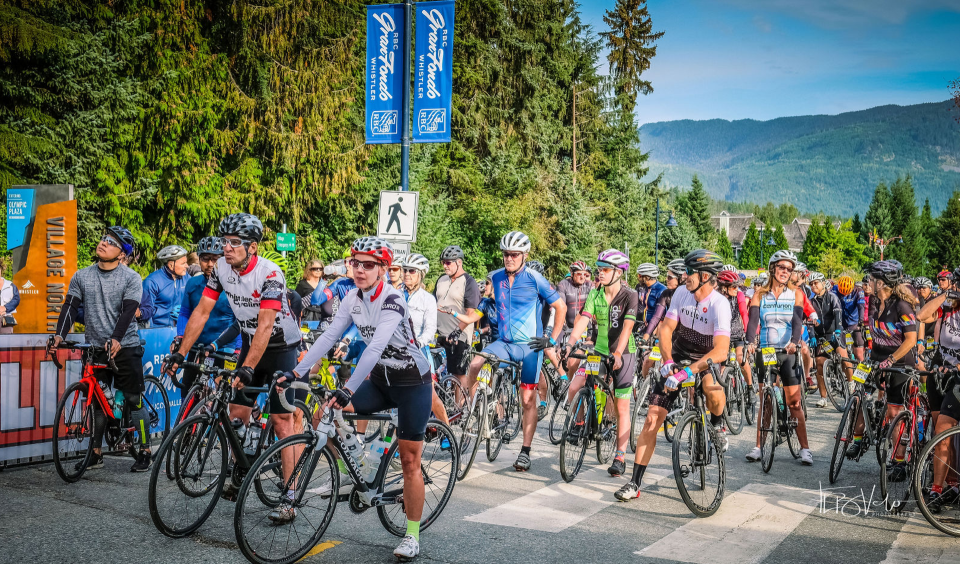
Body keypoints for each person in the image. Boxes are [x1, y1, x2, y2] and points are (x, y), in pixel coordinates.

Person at [289, 237, 432, 560]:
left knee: (410, 461)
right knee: (324, 414)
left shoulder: (394, 298)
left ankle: (411, 534)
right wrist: (297, 371)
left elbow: (376, 347)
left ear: (382, 269)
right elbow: (329, 336)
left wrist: (349, 388)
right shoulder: (352, 297)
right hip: (382, 380)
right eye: (355, 263)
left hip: (412, 383)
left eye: (369, 264)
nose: (360, 270)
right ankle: (351, 466)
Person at [165, 213, 304, 507]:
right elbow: (201, 312)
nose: (226, 247)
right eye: (223, 241)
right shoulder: (220, 271)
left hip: (280, 348)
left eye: (234, 242)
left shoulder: (269, 274)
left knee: (281, 421)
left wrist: (249, 368)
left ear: (252, 247)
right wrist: (180, 352)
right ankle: (243, 465)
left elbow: (266, 326)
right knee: (236, 414)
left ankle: (290, 495)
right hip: (252, 343)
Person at [615, 250, 729, 501]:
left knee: (712, 389)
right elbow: (665, 330)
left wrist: (690, 371)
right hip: (679, 354)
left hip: (706, 357)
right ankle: (634, 483)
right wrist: (667, 362)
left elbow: (721, 350)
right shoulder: (680, 294)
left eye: (689, 272)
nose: (683, 276)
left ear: (705, 276)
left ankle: (718, 425)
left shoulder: (720, 304)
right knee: (652, 417)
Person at [47, 226, 154, 472]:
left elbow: (129, 312)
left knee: (133, 399)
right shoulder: (82, 276)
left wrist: (116, 338)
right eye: (104, 239)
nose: (103, 243)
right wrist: (58, 336)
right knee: (96, 402)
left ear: (121, 254)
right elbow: (70, 307)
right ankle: (95, 453)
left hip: (125, 346)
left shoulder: (131, 278)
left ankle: (146, 450)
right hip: (95, 348)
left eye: (111, 242)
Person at [464, 231, 566, 472]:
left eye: (514, 255)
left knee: (527, 399)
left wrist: (550, 339)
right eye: (506, 254)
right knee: (475, 364)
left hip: (529, 346)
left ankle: (525, 450)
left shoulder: (534, 278)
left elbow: (559, 306)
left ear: (524, 255)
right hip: (505, 342)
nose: (509, 258)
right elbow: (479, 310)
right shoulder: (496, 278)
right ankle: (473, 408)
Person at [562, 249, 638, 477]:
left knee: (622, 405)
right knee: (578, 386)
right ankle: (582, 424)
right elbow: (584, 319)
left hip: (624, 353)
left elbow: (627, 328)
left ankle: (620, 456)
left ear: (618, 272)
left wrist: (618, 353)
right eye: (599, 269)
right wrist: (570, 343)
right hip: (600, 350)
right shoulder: (595, 294)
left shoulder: (629, 295)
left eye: (605, 270)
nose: (600, 273)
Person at [744, 250, 813, 466]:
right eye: (782, 267)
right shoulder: (759, 295)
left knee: (794, 403)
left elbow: (797, 322)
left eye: (789, 269)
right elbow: (753, 323)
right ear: (773, 268)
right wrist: (750, 342)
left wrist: (794, 342)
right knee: (765, 401)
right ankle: (758, 446)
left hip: (787, 352)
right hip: (766, 351)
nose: (785, 272)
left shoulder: (797, 294)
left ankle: (805, 449)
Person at [845, 261, 918, 461]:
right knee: (858, 395)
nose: (868, 281)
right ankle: (858, 440)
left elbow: (911, 339)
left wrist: (891, 360)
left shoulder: (902, 306)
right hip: (874, 358)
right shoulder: (874, 302)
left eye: (872, 279)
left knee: (894, 412)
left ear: (882, 282)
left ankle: (899, 460)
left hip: (900, 362)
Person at [173, 237, 241, 388]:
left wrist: (238, 348)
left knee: (219, 396)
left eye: (215, 259)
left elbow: (241, 322)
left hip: (223, 348)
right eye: (205, 259)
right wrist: (180, 336)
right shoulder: (192, 283)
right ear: (199, 259)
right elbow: (185, 313)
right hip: (197, 346)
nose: (210, 264)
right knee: (188, 391)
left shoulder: (233, 284)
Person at [917, 269, 960, 508]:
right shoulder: (948, 306)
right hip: (940, 369)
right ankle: (939, 488)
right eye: (956, 284)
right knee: (940, 432)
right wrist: (945, 295)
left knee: (945, 427)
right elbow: (922, 316)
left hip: (957, 376)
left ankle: (948, 484)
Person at [434, 245, 480, 393]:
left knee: (458, 373)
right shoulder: (441, 279)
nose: (445, 266)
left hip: (458, 336)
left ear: (459, 262)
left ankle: (459, 410)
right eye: (443, 262)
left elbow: (471, 313)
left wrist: (456, 332)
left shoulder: (469, 282)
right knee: (436, 371)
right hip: (439, 334)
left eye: (448, 262)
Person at [717, 268, 754, 408]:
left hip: (737, 332)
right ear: (724, 288)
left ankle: (750, 387)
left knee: (741, 358)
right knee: (721, 365)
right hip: (721, 335)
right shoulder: (716, 297)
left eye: (738, 286)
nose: (737, 288)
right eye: (733, 286)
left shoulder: (738, 295)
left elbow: (744, 313)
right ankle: (721, 398)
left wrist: (750, 337)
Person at [809, 272, 843, 408]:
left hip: (834, 333)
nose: (813, 286)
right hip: (821, 337)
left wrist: (838, 330)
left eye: (815, 283)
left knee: (843, 354)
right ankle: (823, 397)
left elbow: (838, 315)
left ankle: (851, 383)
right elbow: (810, 322)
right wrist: (811, 336)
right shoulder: (811, 302)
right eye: (811, 284)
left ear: (823, 283)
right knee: (819, 364)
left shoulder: (832, 297)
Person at [139, 244, 189, 327]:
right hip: (158, 330)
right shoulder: (152, 281)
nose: (187, 266)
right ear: (171, 265)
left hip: (181, 329)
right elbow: (145, 311)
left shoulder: (187, 278)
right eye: (183, 263)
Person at [833, 274, 867, 381]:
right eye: (842, 293)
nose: (844, 295)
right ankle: (847, 378)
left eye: (846, 293)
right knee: (842, 355)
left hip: (854, 323)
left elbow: (861, 306)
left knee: (859, 354)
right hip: (841, 323)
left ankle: (862, 380)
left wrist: (861, 321)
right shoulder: (834, 289)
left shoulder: (858, 291)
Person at [556, 261, 591, 334]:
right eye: (579, 274)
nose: (582, 277)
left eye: (585, 274)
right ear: (572, 274)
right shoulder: (563, 284)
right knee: (557, 343)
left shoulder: (589, 285)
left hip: (586, 326)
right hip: (567, 327)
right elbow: (561, 307)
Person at [634, 263, 666, 334]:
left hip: (656, 330)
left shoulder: (661, 290)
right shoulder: (646, 288)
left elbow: (662, 316)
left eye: (640, 275)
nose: (638, 278)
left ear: (647, 277)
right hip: (645, 327)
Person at [0, 260, 20, 333]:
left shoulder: (10, 285)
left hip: (6, 320)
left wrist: (5, 308)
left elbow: (16, 299)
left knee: (6, 342)